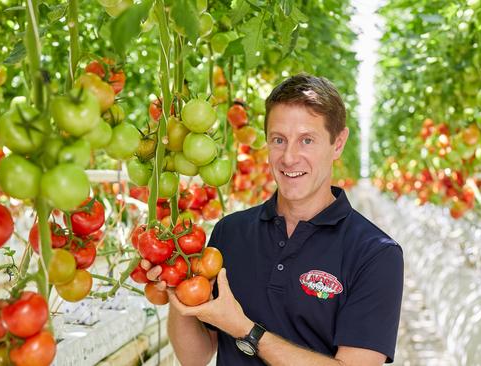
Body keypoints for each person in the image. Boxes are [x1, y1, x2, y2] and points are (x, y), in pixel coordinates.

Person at [146, 73, 404, 365]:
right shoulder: (230, 233)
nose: (289, 157)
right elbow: (194, 357)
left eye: (307, 140)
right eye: (278, 140)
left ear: (338, 143)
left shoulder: (375, 253)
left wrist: (245, 330)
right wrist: (176, 288)